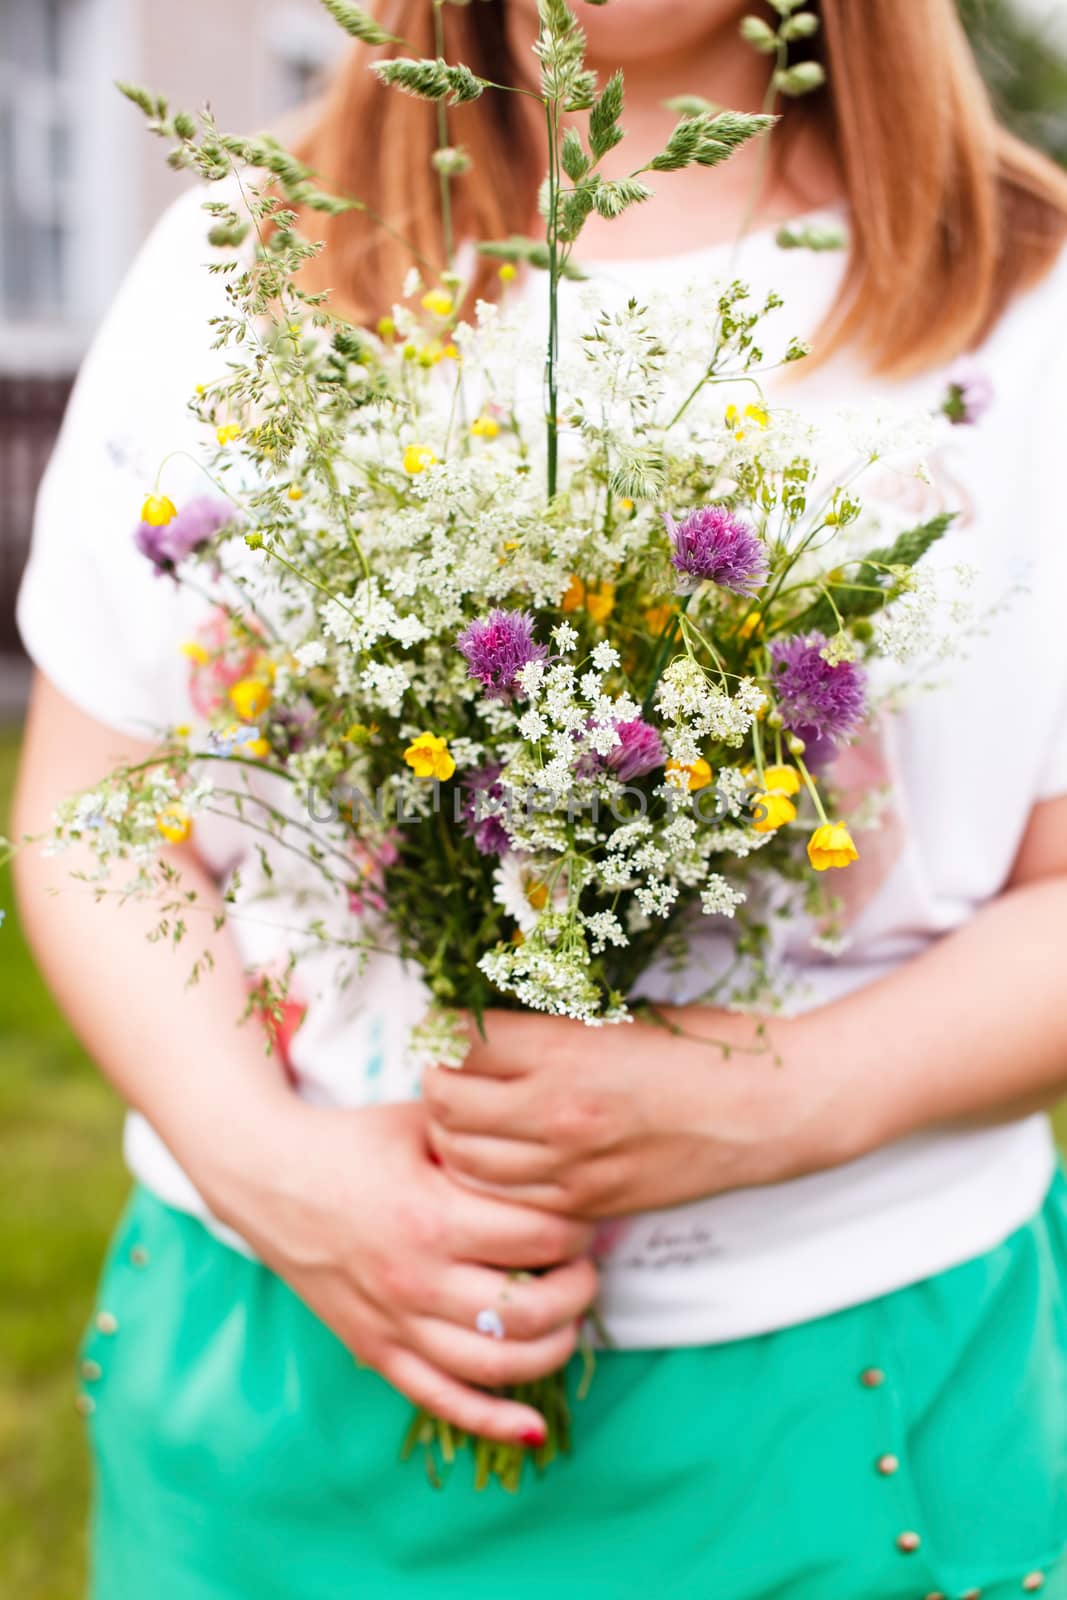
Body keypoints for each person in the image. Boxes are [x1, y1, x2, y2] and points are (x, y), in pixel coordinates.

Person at [13, 2, 1067, 1596]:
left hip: (850, 1399)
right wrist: (276, 1174)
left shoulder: (1025, 305)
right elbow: (100, 817)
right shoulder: (241, 260)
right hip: (282, 1374)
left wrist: (775, 1103)